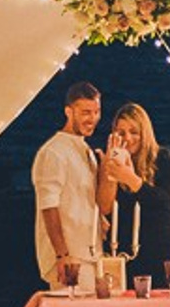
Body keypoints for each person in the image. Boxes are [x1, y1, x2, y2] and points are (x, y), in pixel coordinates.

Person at [31, 78, 111, 289]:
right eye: (85, 112)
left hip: (92, 254)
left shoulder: (87, 151)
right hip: (71, 259)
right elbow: (48, 206)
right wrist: (62, 255)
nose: (92, 119)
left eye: (96, 112)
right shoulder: (54, 152)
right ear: (68, 112)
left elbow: (83, 198)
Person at [102, 102, 170, 285]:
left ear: (145, 133)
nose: (128, 138)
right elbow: (106, 207)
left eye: (134, 132)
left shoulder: (167, 160)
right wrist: (109, 172)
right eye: (121, 133)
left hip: (162, 247)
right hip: (124, 249)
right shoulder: (115, 163)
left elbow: (167, 203)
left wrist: (131, 179)